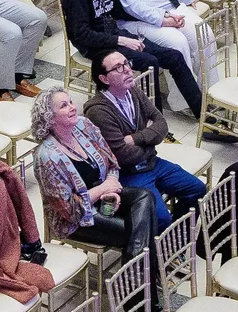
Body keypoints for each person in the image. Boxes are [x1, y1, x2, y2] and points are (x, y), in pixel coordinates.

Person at [60, 0, 205, 119]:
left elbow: (118, 10)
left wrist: (161, 16)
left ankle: (202, 114)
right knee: (149, 61)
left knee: (174, 56)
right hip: (94, 45)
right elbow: (81, 34)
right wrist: (121, 40)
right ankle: (156, 122)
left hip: (114, 33)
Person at [31, 89, 157, 301]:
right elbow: (68, 210)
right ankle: (139, 293)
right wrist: (103, 190)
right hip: (77, 219)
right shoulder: (47, 157)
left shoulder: (84, 125)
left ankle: (135, 288)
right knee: (137, 228)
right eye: (64, 105)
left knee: (144, 198)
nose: (72, 107)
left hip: (103, 196)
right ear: (49, 117)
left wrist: (112, 185)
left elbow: (112, 163)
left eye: (71, 102)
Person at [86, 49, 207, 220]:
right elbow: (122, 155)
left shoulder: (132, 90)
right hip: (128, 174)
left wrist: (136, 139)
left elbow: (161, 123)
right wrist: (150, 142)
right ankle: (161, 240)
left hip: (151, 163)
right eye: (118, 68)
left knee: (197, 190)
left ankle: (179, 238)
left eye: (126, 63)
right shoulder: (98, 111)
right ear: (104, 78)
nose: (128, 70)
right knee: (161, 218)